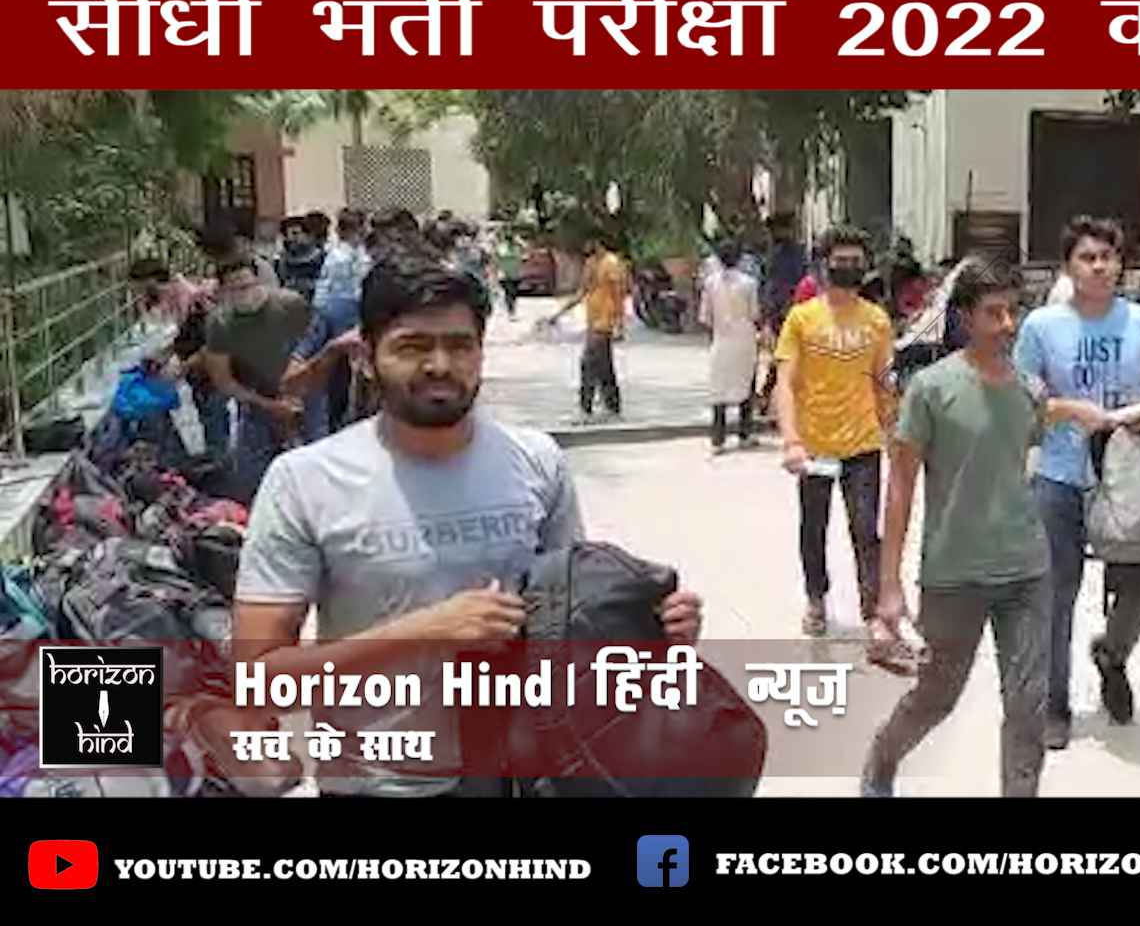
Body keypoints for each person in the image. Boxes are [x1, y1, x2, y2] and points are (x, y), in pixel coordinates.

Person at [232, 255, 705, 798]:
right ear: (365, 357)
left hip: (526, 778)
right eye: (412, 346)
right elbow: (258, 682)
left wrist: (654, 634)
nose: (440, 364)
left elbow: (573, 630)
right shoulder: (304, 481)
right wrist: (423, 631)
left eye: (459, 346)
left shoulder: (536, 462)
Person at [863, 259, 1050, 797]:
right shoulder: (930, 388)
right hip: (955, 574)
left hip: (1026, 571)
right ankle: (882, 758)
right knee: (937, 696)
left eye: (1012, 311)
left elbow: (1020, 460)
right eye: (993, 313)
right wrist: (889, 586)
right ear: (965, 318)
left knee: (1028, 706)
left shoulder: (1031, 389)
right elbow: (900, 488)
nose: (1007, 324)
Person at [1015, 216, 1140, 749]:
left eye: (1108, 257)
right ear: (1068, 267)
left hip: (1127, 474)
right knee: (1054, 593)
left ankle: (1113, 653)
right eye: (1087, 257)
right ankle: (1053, 705)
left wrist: (1138, 413)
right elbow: (1026, 398)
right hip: (1061, 475)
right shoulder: (1041, 327)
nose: (1099, 266)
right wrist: (1070, 410)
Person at [773, 225, 898, 660]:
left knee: (866, 531)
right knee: (814, 527)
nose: (848, 268)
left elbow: (883, 381)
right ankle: (816, 597)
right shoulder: (802, 319)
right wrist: (791, 440)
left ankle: (873, 614)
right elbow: (785, 383)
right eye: (840, 261)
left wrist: (894, 429)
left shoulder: (877, 320)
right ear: (824, 266)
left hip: (863, 444)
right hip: (814, 447)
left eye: (856, 262)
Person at [202, 257, 312, 503]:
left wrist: (298, 368)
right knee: (249, 480)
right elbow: (223, 381)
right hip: (255, 398)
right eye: (235, 289)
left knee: (311, 466)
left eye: (248, 285)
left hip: (301, 392)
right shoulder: (219, 324)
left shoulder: (289, 304)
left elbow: (313, 338)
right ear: (223, 292)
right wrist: (269, 405)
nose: (245, 294)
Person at [128, 258, 229, 459]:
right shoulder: (174, 298)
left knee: (213, 410)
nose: (137, 293)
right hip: (197, 364)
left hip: (210, 364)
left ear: (151, 281)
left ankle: (219, 461)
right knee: (207, 410)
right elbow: (181, 335)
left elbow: (211, 342)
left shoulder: (191, 301)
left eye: (138, 287)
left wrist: (183, 366)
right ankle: (213, 457)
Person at [299, 206, 372, 440]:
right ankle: (336, 420)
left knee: (337, 368)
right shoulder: (350, 257)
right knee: (343, 368)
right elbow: (355, 291)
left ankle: (334, 418)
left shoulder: (336, 253)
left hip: (326, 311)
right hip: (342, 313)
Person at [544, 235, 630, 421]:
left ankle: (586, 409)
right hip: (593, 320)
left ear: (596, 242)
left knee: (588, 364)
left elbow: (619, 294)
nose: (584, 247)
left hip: (605, 321)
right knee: (604, 366)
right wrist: (558, 314)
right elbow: (582, 291)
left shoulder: (611, 264)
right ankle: (612, 407)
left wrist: (619, 323)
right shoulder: (591, 263)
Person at [701, 240, 760, 452]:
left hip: (721, 339)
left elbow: (705, 316)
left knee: (719, 388)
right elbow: (754, 313)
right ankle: (745, 433)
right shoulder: (749, 283)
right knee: (746, 384)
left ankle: (718, 439)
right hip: (745, 339)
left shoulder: (710, 283)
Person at [275, 216, 325, 304]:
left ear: (308, 235)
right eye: (287, 235)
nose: (291, 238)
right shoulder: (281, 260)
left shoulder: (321, 258)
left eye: (296, 233)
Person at [494, 229, 524, 320]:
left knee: (513, 294)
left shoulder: (517, 247)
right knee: (509, 292)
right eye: (508, 239)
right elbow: (496, 259)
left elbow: (525, 252)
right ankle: (511, 311)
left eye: (511, 239)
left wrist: (520, 242)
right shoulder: (501, 247)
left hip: (516, 274)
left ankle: (511, 309)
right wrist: (496, 272)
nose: (510, 241)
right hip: (504, 274)